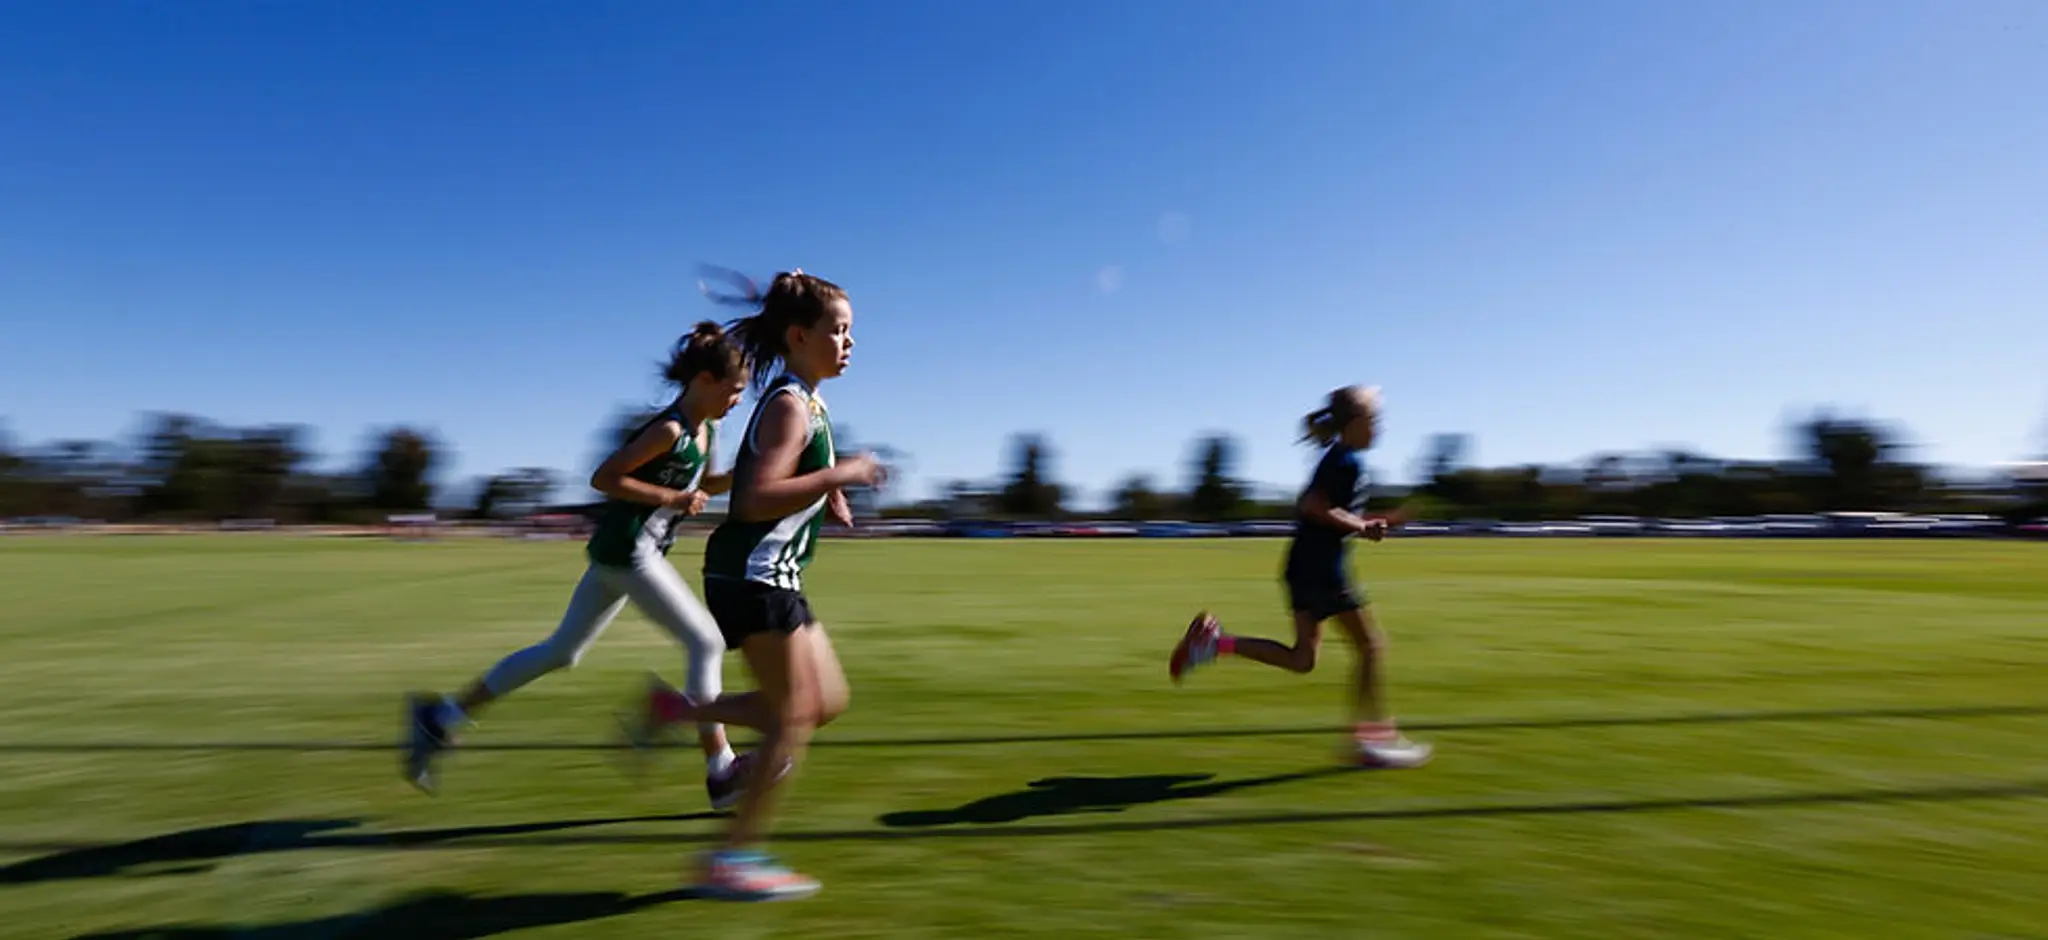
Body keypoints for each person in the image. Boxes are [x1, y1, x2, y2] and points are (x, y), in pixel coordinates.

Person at [402, 321, 760, 808]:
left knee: (561, 652)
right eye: (734, 390)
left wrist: (742, 477)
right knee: (705, 641)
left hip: (623, 554)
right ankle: (721, 771)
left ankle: (441, 716)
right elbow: (605, 477)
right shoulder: (670, 429)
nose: (737, 400)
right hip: (630, 551)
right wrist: (671, 496)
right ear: (703, 380)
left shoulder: (706, 430)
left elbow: (705, 485)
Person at [630, 268, 884, 901]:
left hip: (768, 574)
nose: (849, 342)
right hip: (752, 575)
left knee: (825, 701)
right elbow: (751, 499)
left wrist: (828, 494)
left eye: (851, 332)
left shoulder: (808, 401)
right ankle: (732, 857)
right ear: (799, 335)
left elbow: (788, 482)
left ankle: (676, 713)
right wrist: (837, 475)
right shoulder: (789, 405)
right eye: (839, 330)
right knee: (791, 717)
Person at [1168, 384, 1433, 769]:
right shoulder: (1344, 460)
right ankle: (1371, 741)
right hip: (1322, 568)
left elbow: (1329, 509)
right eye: (1376, 419)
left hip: (1303, 566)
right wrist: (1361, 525)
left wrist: (1373, 521)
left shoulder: (1341, 459)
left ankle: (1214, 643)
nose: (1381, 426)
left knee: (1302, 658)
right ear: (1357, 423)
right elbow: (1313, 506)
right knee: (1371, 646)